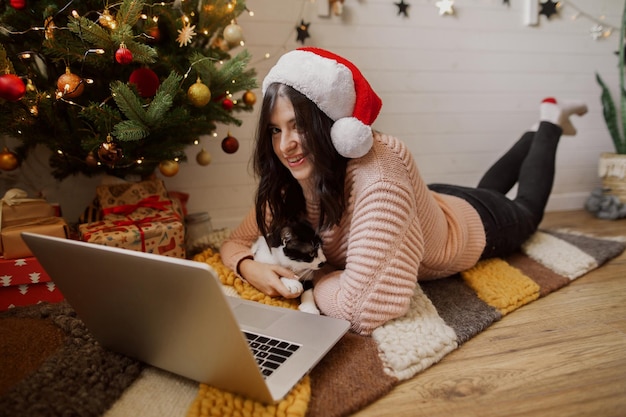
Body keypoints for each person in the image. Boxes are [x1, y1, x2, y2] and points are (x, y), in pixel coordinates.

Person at [220, 47, 588, 336]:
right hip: (430, 204)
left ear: (332, 125)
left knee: (524, 208)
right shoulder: (292, 182)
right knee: (485, 189)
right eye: (275, 130)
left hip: (478, 227)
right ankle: (535, 132)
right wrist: (249, 268)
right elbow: (233, 243)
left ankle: (549, 120)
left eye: (298, 125)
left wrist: (314, 278)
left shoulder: (379, 174)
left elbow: (363, 309)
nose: (286, 145)